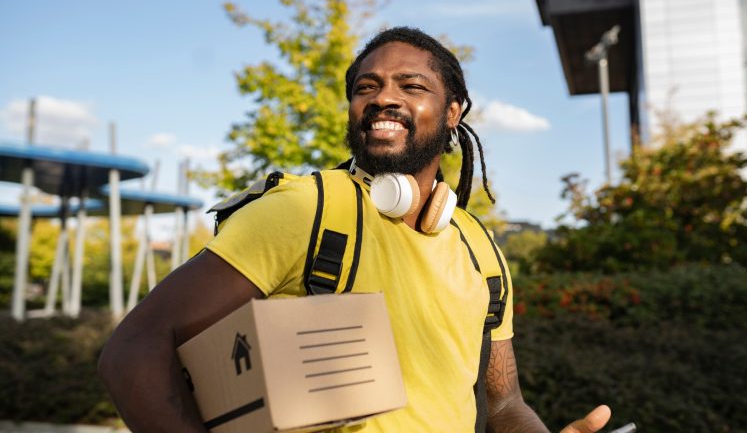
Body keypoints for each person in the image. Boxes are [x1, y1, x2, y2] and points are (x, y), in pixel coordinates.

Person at [98, 27, 611, 432]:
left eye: (412, 86)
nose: (383, 98)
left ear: (453, 113)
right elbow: (136, 349)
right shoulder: (303, 210)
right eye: (367, 87)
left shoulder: (480, 247)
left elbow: (503, 404)